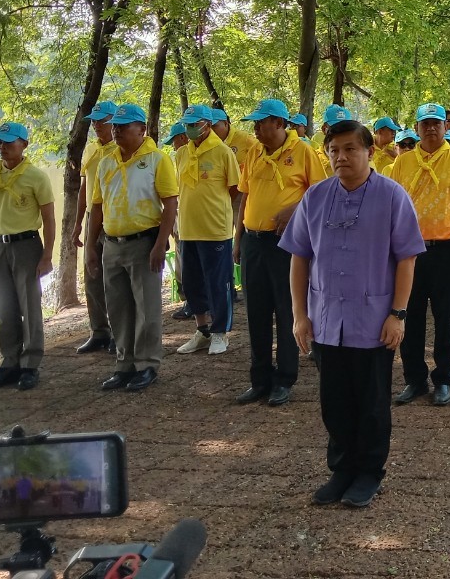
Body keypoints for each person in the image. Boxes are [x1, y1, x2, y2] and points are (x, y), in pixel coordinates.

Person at [282, 118, 424, 508]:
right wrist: (299, 314)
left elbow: (407, 259)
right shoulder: (315, 197)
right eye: (334, 150)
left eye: (350, 149)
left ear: (369, 152)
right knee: (335, 401)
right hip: (326, 318)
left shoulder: (392, 196)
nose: (341, 157)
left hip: (373, 319)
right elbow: (299, 257)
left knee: (372, 402)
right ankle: (342, 469)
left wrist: (398, 314)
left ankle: (369, 472)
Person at [234, 98, 326, 407]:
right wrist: (238, 239)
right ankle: (259, 379)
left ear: (279, 123)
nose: (256, 128)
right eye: (255, 123)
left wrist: (295, 208)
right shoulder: (254, 152)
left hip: (286, 244)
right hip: (253, 241)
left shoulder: (303, 152)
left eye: (261, 122)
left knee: (287, 309)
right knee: (256, 311)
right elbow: (245, 197)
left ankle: (285, 379)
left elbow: (320, 193)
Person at [390, 102, 450, 407]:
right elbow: (394, 207)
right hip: (410, 252)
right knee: (410, 314)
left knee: (444, 317)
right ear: (417, 128)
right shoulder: (403, 162)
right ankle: (414, 379)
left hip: (447, 249)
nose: (431, 128)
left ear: (446, 127)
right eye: (425, 124)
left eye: (436, 123)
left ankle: (443, 379)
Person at [85, 104, 178, 392]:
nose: (117, 130)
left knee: (146, 308)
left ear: (142, 129)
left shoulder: (157, 159)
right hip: (112, 243)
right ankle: (124, 365)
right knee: (118, 308)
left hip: (144, 243)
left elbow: (170, 203)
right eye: (115, 125)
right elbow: (97, 207)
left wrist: (160, 244)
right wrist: (90, 247)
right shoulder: (106, 162)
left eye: (124, 126)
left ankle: (147, 364)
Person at [0, 122, 56, 391]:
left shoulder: (36, 177)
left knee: (29, 306)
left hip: (26, 246)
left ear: (24, 144)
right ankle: (10, 362)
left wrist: (47, 256)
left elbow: (49, 218)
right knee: (3, 306)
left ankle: (30, 364)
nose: (3, 147)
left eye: (9, 142)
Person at [173, 104, 240, 356]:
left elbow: (234, 188)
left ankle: (220, 332)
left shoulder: (223, 152)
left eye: (194, 124)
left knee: (218, 283)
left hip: (215, 229)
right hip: (188, 229)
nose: (189, 129)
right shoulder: (182, 153)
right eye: (187, 125)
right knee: (192, 283)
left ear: (207, 125)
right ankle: (202, 331)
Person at [73, 101, 117, 355]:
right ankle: (99, 331)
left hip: (113, 216)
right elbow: (84, 188)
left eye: (101, 120)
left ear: (114, 121)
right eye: (93, 121)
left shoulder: (121, 148)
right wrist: (78, 223)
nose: (96, 125)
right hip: (92, 216)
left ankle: (119, 332)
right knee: (92, 276)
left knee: (114, 277)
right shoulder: (91, 149)